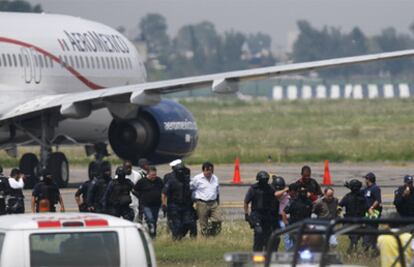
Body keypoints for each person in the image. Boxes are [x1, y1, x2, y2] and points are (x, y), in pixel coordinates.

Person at [244, 171, 279, 251]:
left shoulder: (270, 189)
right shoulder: (253, 189)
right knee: (259, 232)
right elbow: (246, 202)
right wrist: (246, 215)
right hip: (256, 214)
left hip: (267, 215)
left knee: (268, 235)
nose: (264, 182)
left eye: (265, 180)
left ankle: (267, 252)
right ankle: (257, 251)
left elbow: (276, 197)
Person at [161, 162, 197, 240]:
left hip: (186, 205)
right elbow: (164, 193)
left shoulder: (187, 180)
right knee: (177, 224)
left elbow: (191, 191)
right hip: (174, 205)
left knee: (189, 223)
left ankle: (183, 236)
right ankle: (176, 239)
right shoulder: (171, 181)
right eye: (180, 170)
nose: (182, 172)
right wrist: (164, 205)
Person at [191, 162, 222, 237]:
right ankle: (206, 237)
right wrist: (194, 200)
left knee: (218, 220)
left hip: (213, 202)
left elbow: (217, 191)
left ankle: (212, 233)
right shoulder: (197, 178)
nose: (208, 172)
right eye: (207, 170)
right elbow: (191, 188)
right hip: (202, 203)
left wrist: (218, 201)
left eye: (210, 171)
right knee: (203, 223)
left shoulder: (215, 178)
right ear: (203, 170)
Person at [133, 166, 164, 238]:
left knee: (154, 220)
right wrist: (140, 197)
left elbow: (163, 190)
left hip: (156, 204)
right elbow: (134, 190)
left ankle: (153, 234)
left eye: (155, 175)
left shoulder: (159, 180)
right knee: (150, 219)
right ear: (148, 174)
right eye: (152, 175)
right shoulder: (142, 181)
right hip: (146, 204)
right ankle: (151, 231)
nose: (154, 177)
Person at [339, 179, 368, 253]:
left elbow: (340, 205)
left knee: (354, 239)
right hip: (360, 222)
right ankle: (354, 250)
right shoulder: (362, 197)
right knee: (357, 239)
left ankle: (353, 250)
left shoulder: (348, 197)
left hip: (349, 222)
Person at [362, 172, 382, 255]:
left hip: (373, 213)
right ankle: (367, 247)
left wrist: (372, 208)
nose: (364, 180)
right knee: (367, 230)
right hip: (367, 213)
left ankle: (373, 248)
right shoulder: (366, 188)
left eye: (365, 179)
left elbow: (378, 200)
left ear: (368, 179)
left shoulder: (375, 188)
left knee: (372, 230)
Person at [272, 176, 293, 251]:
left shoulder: (288, 195)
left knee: (288, 236)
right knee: (274, 238)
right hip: (276, 218)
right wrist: (285, 189)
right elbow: (275, 194)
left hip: (285, 219)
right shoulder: (275, 194)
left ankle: (289, 251)